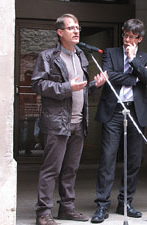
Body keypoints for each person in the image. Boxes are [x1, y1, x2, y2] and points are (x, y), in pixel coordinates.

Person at [31, 13, 107, 225]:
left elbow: (79, 90)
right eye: (71, 28)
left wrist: (94, 85)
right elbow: (38, 85)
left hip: (78, 122)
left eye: (78, 28)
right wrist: (67, 87)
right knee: (51, 170)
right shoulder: (48, 57)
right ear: (60, 32)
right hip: (56, 123)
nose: (76, 31)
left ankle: (67, 208)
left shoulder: (80, 56)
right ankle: (43, 214)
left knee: (71, 169)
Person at [91, 18, 147, 223]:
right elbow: (109, 76)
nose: (127, 40)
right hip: (114, 112)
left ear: (140, 38)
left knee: (133, 160)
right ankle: (102, 205)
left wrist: (134, 60)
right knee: (108, 159)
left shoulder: (146, 57)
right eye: (125, 35)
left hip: (136, 113)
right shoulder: (110, 53)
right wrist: (136, 78)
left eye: (132, 37)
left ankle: (125, 202)